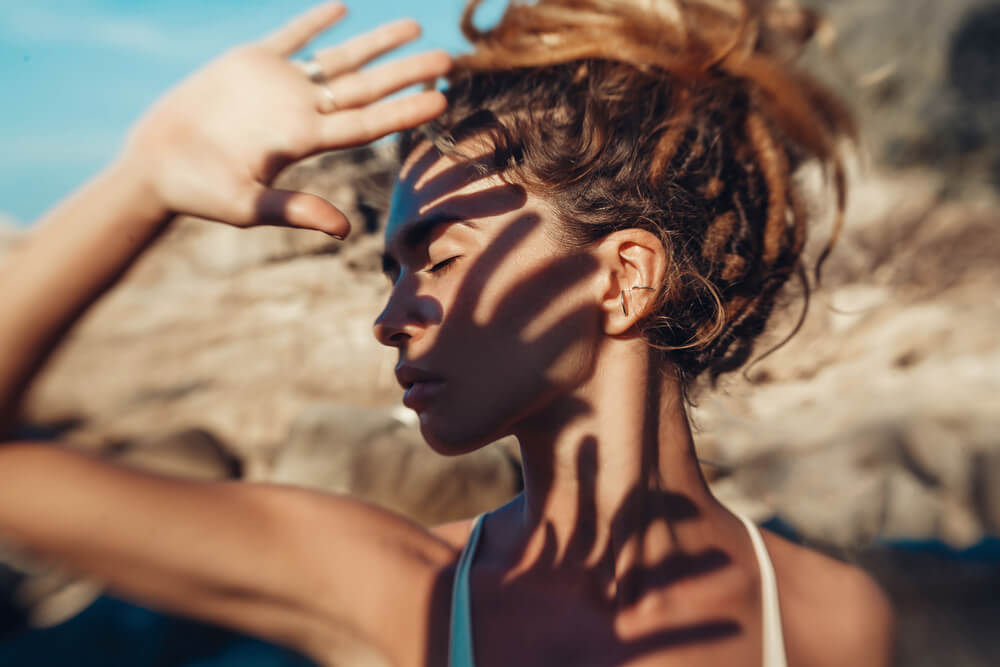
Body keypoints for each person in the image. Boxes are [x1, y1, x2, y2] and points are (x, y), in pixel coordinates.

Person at [0, 1, 894, 666]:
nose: (389, 318)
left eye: (438, 259)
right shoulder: (401, 588)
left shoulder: (833, 620)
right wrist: (145, 177)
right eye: (392, 270)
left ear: (622, 279)